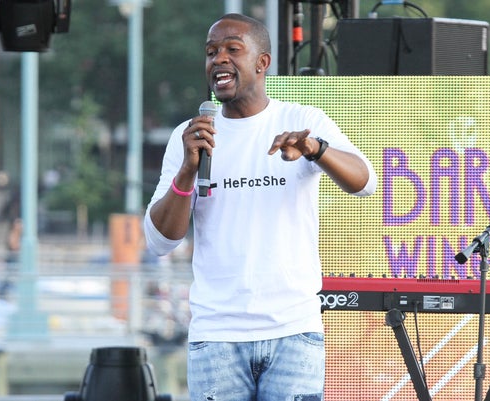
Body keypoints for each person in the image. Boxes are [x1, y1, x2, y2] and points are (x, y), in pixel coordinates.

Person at [143, 13, 377, 401]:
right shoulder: (190, 136)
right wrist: (187, 170)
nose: (218, 59)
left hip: (292, 330)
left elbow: (366, 182)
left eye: (232, 49)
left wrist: (314, 149)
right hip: (216, 336)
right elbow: (159, 242)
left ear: (262, 62)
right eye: (211, 52)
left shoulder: (301, 120)